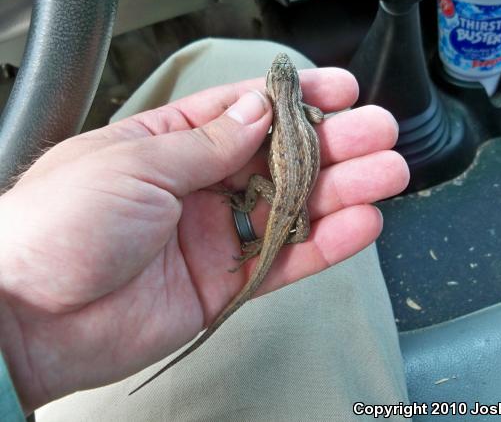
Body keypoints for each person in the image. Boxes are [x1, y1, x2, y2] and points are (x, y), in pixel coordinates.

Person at [0, 39, 410, 421]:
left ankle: (250, 232)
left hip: (280, 190)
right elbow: (319, 118)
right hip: (294, 196)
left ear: (271, 90)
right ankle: (254, 245)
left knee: (219, 69)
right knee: (304, 233)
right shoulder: (303, 110)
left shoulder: (275, 122)